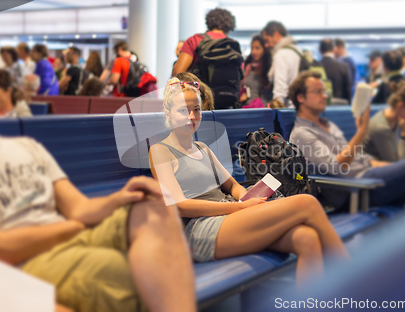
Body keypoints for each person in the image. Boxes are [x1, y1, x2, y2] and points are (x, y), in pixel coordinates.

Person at [149, 77, 349, 285]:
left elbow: (233, 185)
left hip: (230, 215)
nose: (192, 117)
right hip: (201, 229)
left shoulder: (202, 148)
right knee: (306, 202)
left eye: (197, 110)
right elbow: (179, 206)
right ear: (168, 114)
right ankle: (355, 282)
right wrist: (239, 208)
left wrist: (247, 198)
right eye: (183, 110)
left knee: (306, 239)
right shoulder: (160, 151)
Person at [0, 117, 196, 312]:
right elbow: (4, 248)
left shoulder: (26, 147)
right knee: (137, 274)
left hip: (74, 234)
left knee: (155, 206)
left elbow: (78, 208)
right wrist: (76, 227)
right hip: (29, 260)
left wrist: (119, 198)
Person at [288, 71, 405, 208]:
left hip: (369, 176)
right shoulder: (302, 134)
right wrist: (361, 132)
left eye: (324, 91)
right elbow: (337, 167)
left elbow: (360, 159)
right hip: (355, 187)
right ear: (301, 98)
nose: (325, 95)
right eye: (318, 91)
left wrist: (392, 168)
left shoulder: (328, 124)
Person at [363, 82, 405, 162]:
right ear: (400, 106)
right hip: (369, 171)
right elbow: (395, 165)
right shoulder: (381, 128)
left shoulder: (392, 120)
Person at [173, 8, 236, 76]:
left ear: (208, 22)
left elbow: (178, 73)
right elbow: (240, 81)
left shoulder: (195, 40)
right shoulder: (233, 46)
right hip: (226, 86)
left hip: (199, 86)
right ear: (230, 26)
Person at [261, 21, 301, 107]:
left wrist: (277, 110)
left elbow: (280, 90)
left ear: (276, 35)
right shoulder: (297, 51)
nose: (266, 45)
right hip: (300, 106)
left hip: (289, 109)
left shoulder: (281, 55)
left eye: (267, 40)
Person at [240, 35, 273, 107]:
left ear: (264, 50)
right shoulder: (247, 67)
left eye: (257, 48)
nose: (253, 52)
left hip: (265, 110)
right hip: (247, 108)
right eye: (252, 48)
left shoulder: (270, 69)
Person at [319, 39, 351, 104]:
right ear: (335, 49)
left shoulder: (315, 67)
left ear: (320, 51)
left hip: (321, 105)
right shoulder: (344, 67)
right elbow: (348, 90)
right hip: (340, 106)